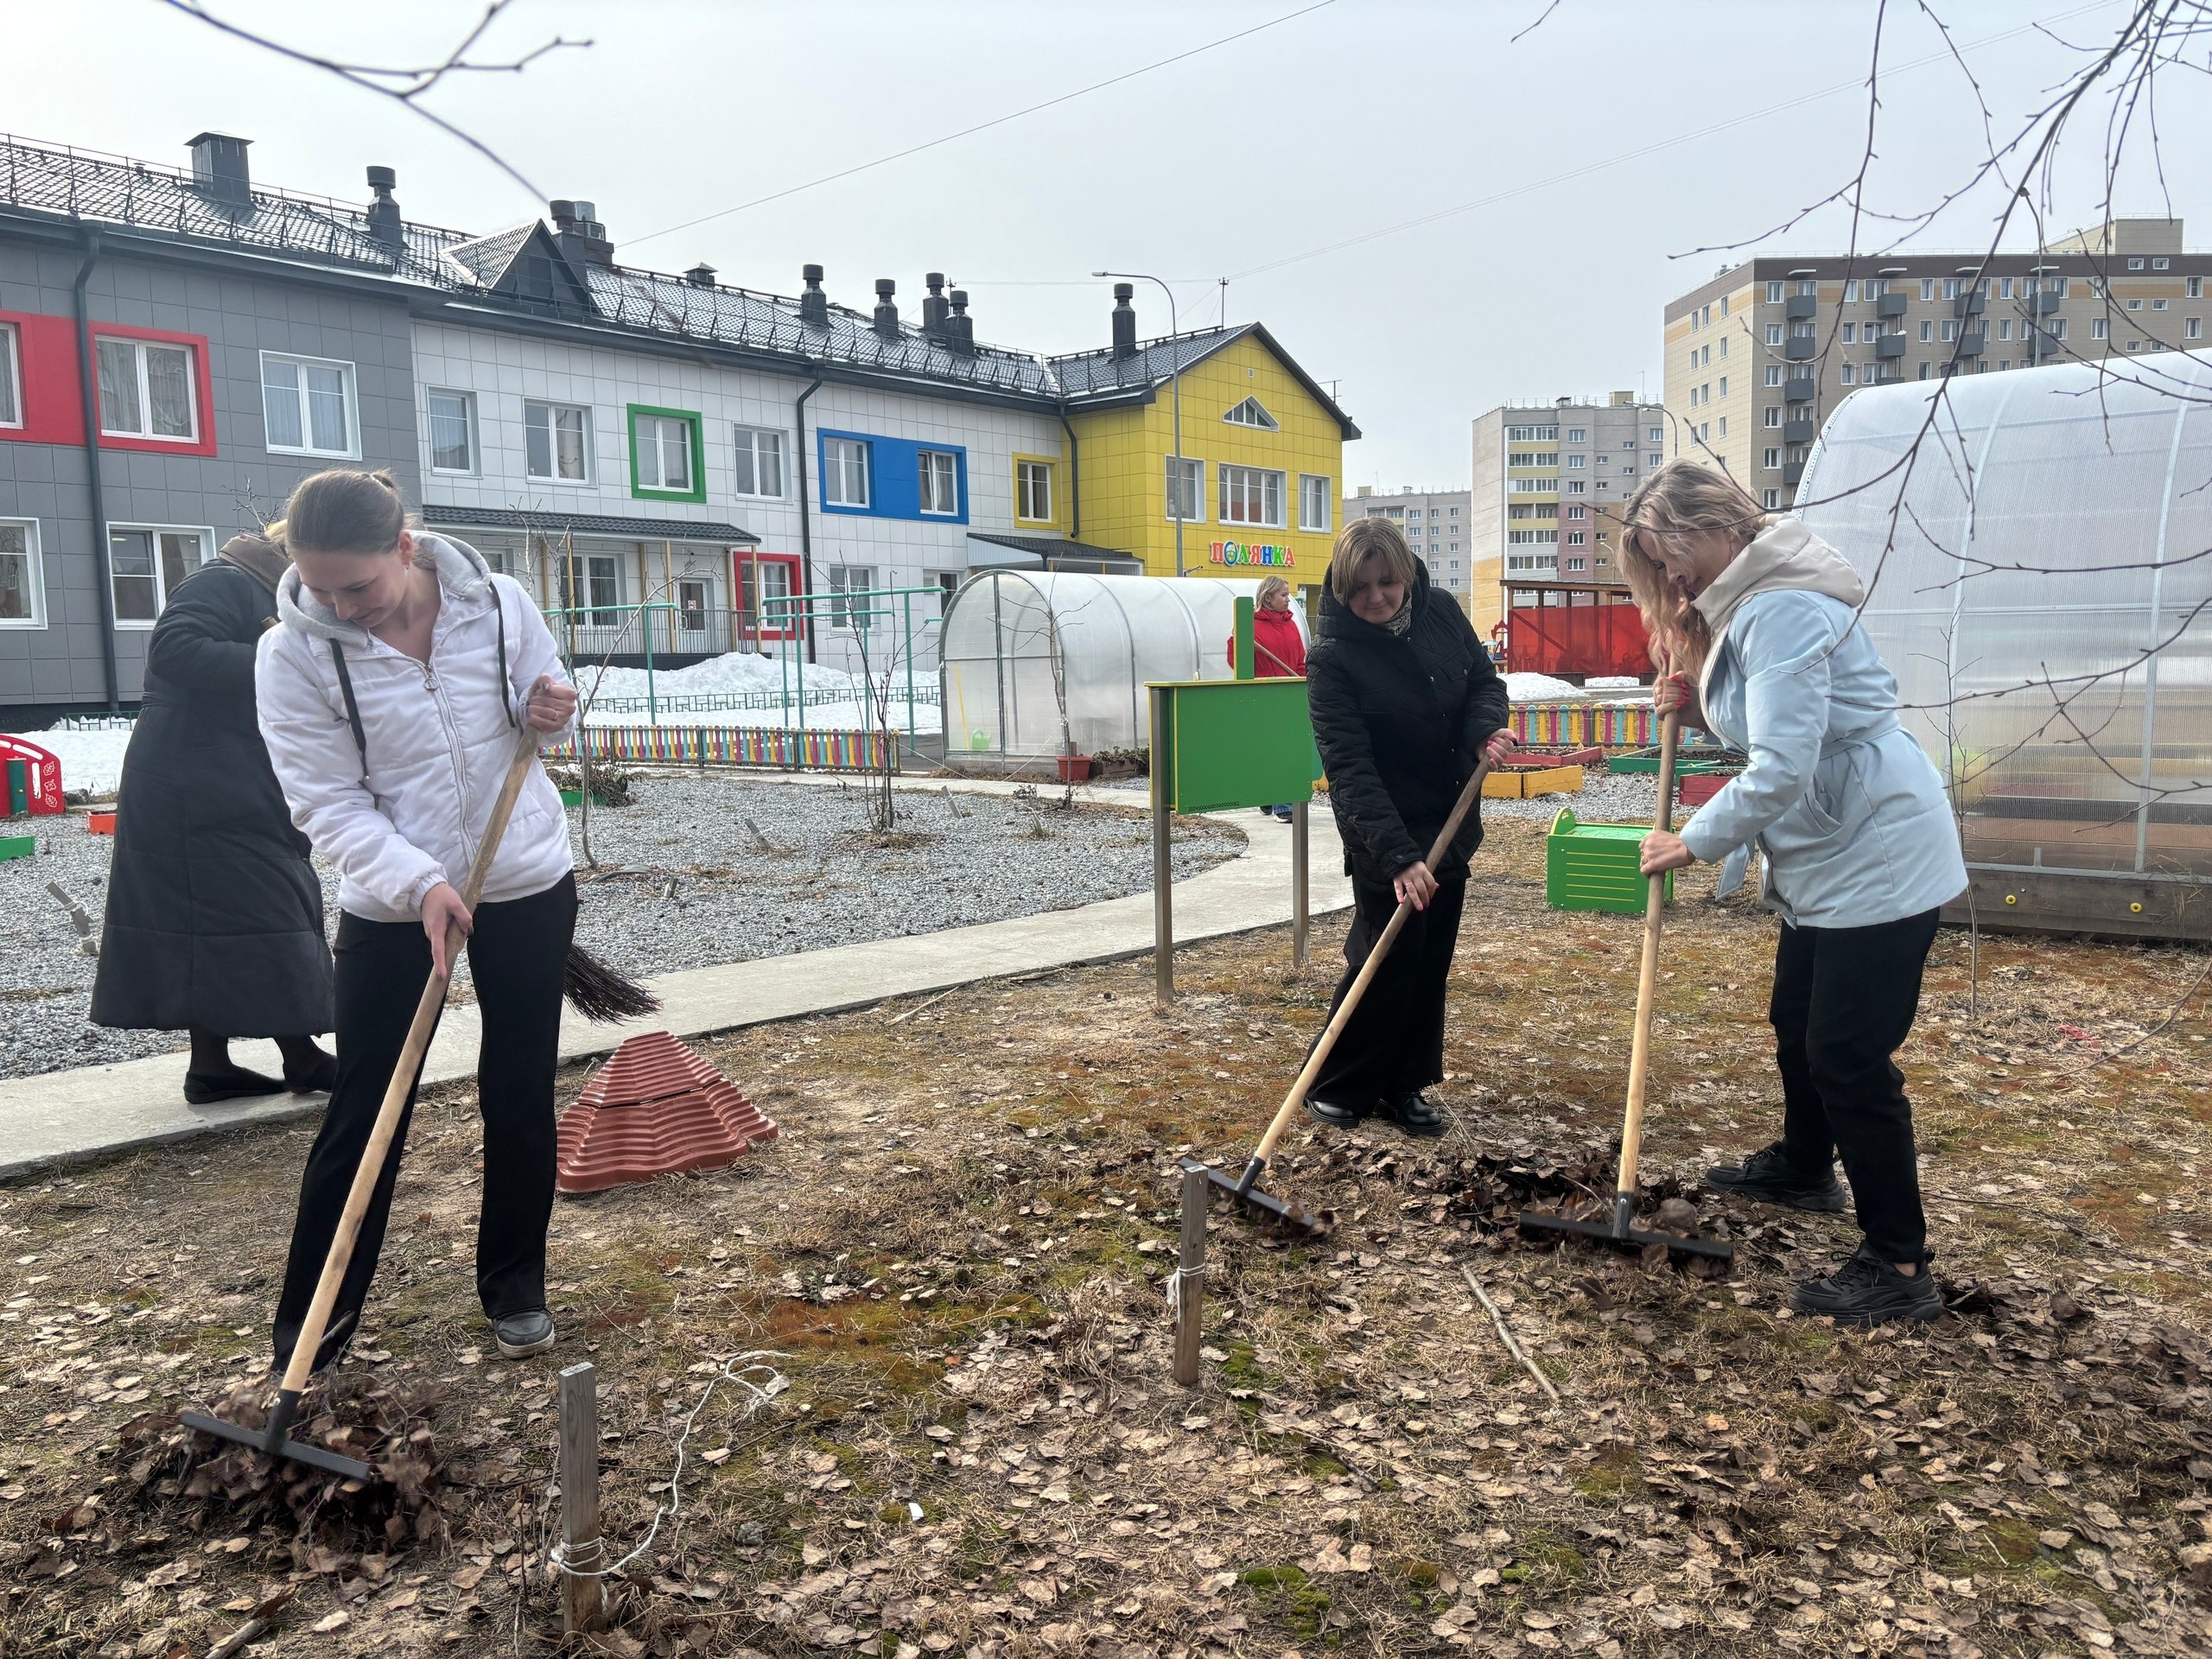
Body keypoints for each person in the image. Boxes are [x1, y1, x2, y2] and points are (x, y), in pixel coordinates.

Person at [1622, 461, 1967, 1326]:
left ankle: (1897, 1261)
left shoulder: (1778, 607)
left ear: (1716, 529)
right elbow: (1785, 722)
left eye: (1671, 556)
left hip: (1878, 856)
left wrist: (1692, 842)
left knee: (1847, 1056)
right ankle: (1806, 1165)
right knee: (1796, 1022)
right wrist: (1700, 712)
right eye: (1658, 565)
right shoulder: (1755, 604)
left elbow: (1782, 766)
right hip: (1831, 856)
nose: (1670, 579)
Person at [255, 467, 580, 1369]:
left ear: (406, 547)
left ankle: (515, 1286)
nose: (338, 605)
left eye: (355, 585)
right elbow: (325, 802)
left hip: (523, 880)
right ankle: (312, 1334)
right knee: (365, 1107)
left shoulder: (501, 604)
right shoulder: (293, 653)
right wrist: (418, 884)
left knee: (518, 1092)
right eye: (317, 588)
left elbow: (538, 708)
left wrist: (550, 708)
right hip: (393, 903)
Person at [91, 531, 336, 1102]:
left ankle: (212, 1068)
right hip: (191, 778)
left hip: (225, 774)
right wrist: (283, 659)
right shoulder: (225, 578)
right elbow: (172, 649)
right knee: (262, 904)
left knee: (218, 921)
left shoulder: (285, 595)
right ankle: (299, 1056)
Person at [1304, 519, 1516, 1137]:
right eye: (1361, 588)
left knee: (1431, 957)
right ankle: (1339, 1082)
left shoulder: (1442, 611)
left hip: (1448, 814)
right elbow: (1349, 766)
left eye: (1388, 582)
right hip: (1383, 826)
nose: (1376, 598)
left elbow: (1484, 681)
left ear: (1407, 574)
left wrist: (1483, 729)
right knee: (1385, 953)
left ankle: (1403, 1085)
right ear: (1342, 589)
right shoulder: (1333, 659)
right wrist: (1397, 856)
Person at [1224, 575, 1309, 822]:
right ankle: (1281, 804)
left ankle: (1269, 796)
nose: (1288, 600)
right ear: (1268, 597)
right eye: (1284, 595)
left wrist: (1303, 682)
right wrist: (1240, 642)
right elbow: (1235, 659)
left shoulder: (1291, 625)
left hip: (1290, 694)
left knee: (1284, 748)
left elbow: (1299, 660)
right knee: (1270, 748)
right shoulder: (1249, 625)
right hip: (1261, 696)